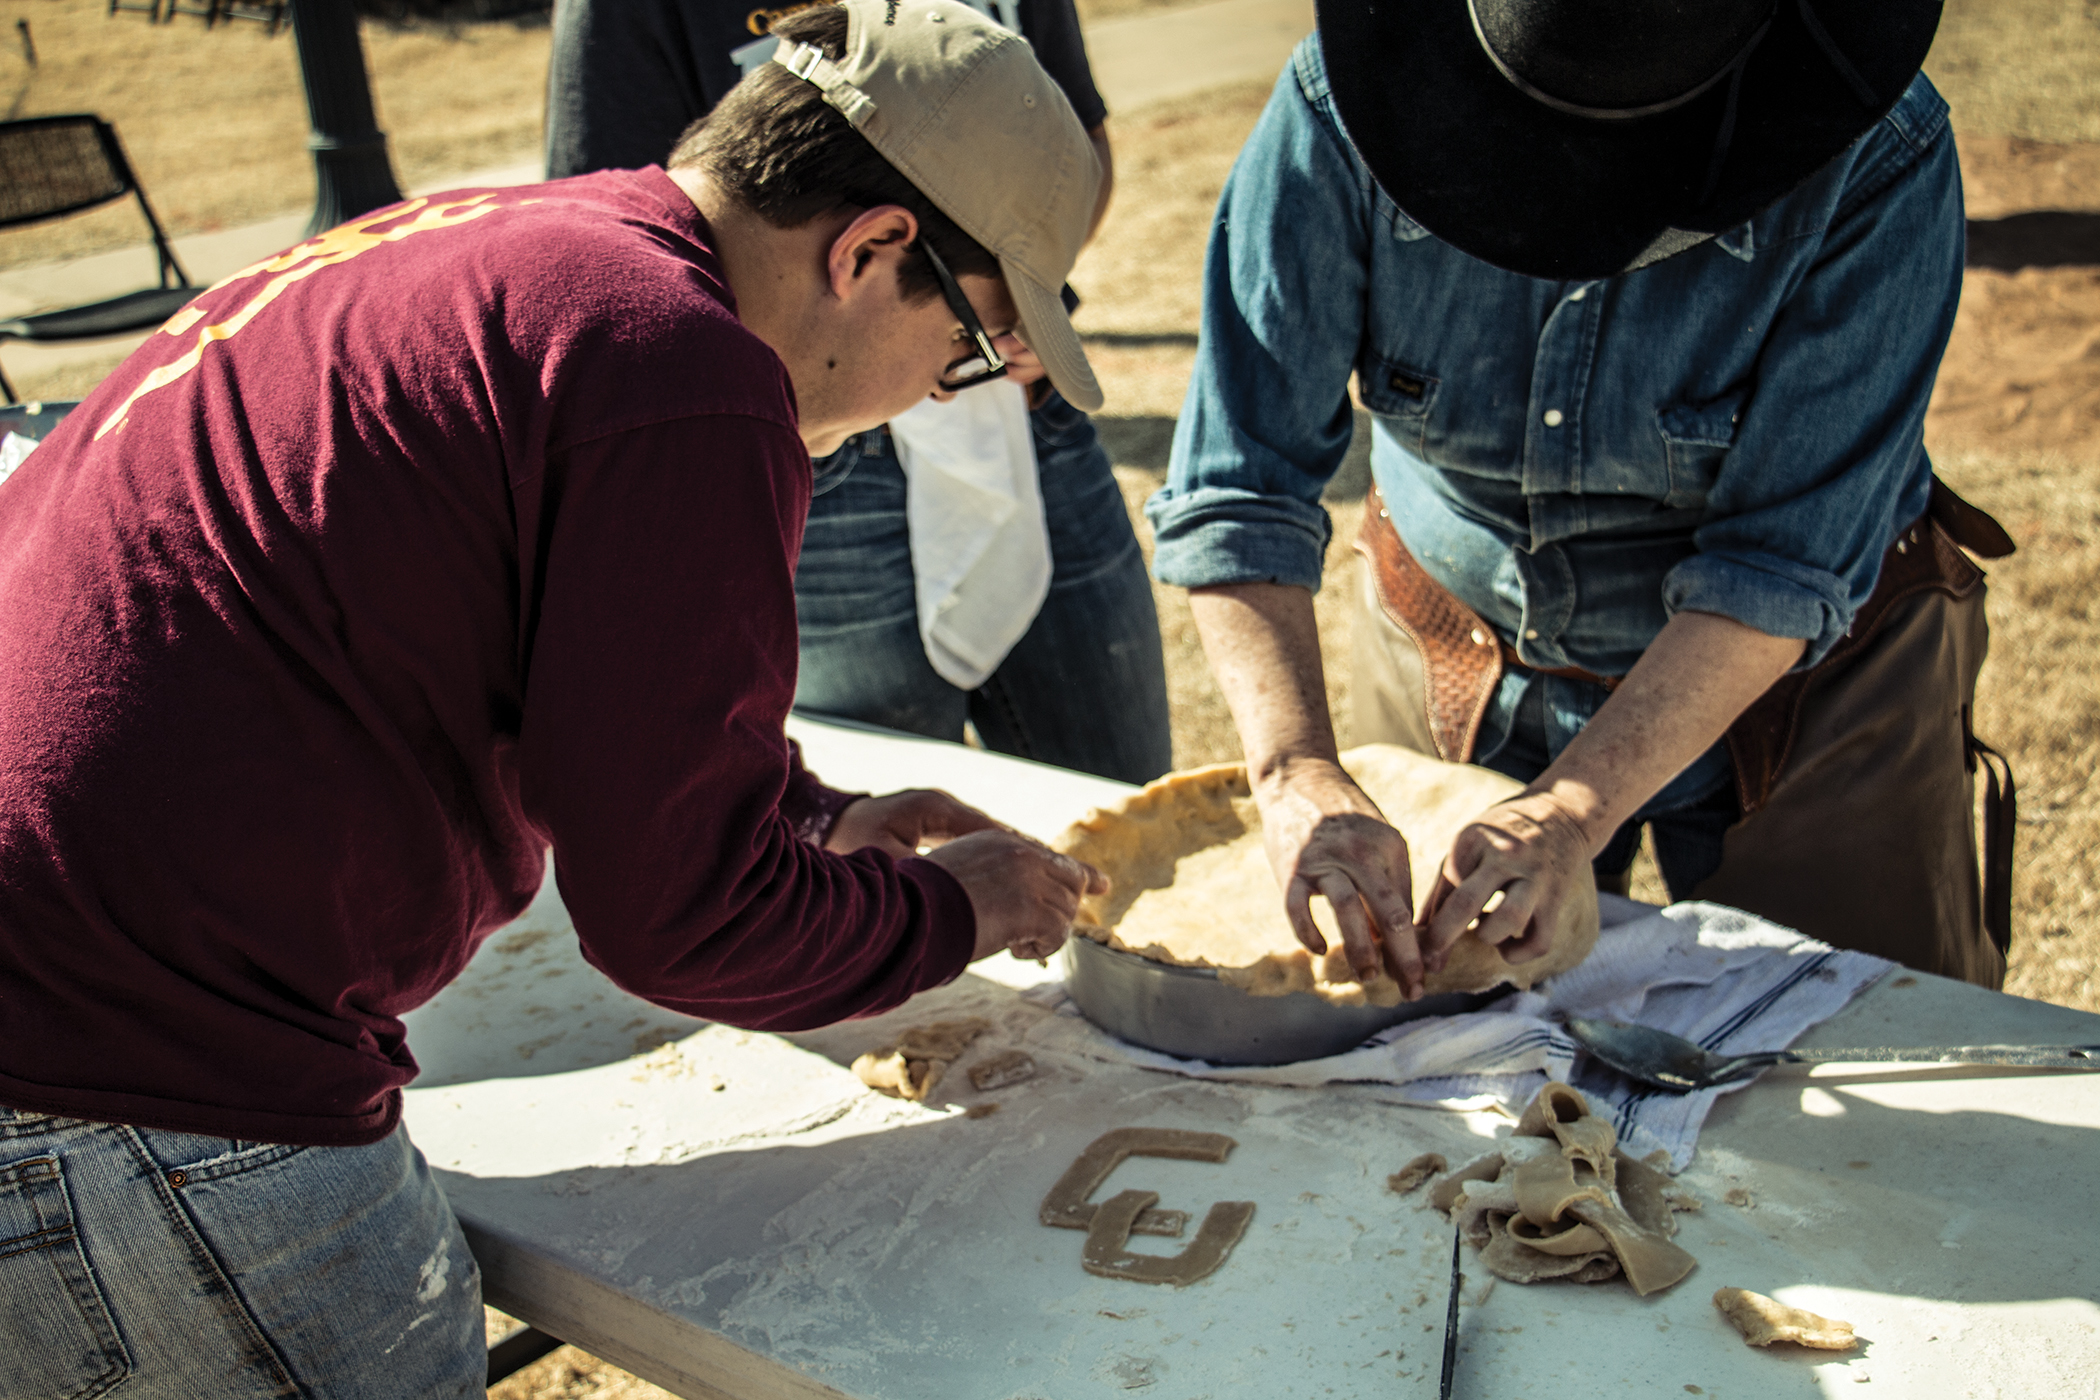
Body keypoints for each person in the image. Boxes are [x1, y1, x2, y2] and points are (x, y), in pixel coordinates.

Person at [0, 3, 1110, 1392]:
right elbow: (681, 922)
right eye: (966, 345)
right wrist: (958, 910)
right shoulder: (685, 370)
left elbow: (553, 682)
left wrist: (800, 820)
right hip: (129, 1076)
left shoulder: (521, 248)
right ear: (872, 249)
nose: (946, 400)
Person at [1148, 0, 2014, 999]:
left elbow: (1781, 564)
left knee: (1837, 1040)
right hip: (1452, 646)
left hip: (1807, 692)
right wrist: (1294, 765)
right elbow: (1240, 482)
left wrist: (1570, 810)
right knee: (1433, 1070)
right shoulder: (1335, 108)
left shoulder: (1881, 154)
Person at [547, 0, 1174, 785]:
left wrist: (1001, 303)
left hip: (1024, 409)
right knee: (877, 817)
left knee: (1119, 791)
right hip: (818, 437)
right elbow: (630, 240)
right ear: (868, 250)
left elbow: (1077, 135)